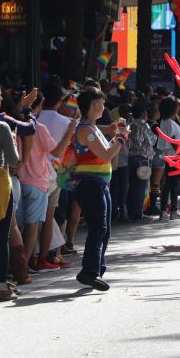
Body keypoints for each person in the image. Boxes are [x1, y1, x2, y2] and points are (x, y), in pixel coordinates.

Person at [71, 87, 128, 291]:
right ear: (94, 105)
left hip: (100, 184)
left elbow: (105, 152)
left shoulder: (92, 128)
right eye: (102, 103)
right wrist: (121, 138)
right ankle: (89, 272)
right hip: (90, 184)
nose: (104, 107)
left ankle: (96, 270)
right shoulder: (86, 129)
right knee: (98, 227)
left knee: (104, 229)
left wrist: (118, 137)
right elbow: (106, 155)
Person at [17, 92, 76, 271]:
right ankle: (27, 265)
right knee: (36, 224)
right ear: (39, 105)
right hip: (41, 178)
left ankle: (14, 267)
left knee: (17, 227)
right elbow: (57, 152)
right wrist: (70, 132)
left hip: (18, 179)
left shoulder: (12, 124)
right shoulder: (38, 127)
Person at [0, 79, 20, 301]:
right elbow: (13, 160)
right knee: (0, 238)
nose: (0, 99)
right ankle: (1, 285)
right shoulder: (1, 127)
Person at [155, 97, 180, 219]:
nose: (179, 106)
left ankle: (166, 210)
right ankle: (173, 209)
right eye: (177, 104)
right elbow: (173, 140)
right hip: (174, 155)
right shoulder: (169, 122)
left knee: (169, 182)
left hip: (171, 155)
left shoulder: (167, 121)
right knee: (173, 183)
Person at [126, 101, 156, 220]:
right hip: (142, 158)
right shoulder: (144, 125)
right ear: (144, 113)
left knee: (132, 185)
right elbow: (151, 141)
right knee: (141, 185)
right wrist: (155, 136)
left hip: (129, 157)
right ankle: (138, 212)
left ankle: (130, 211)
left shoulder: (130, 124)